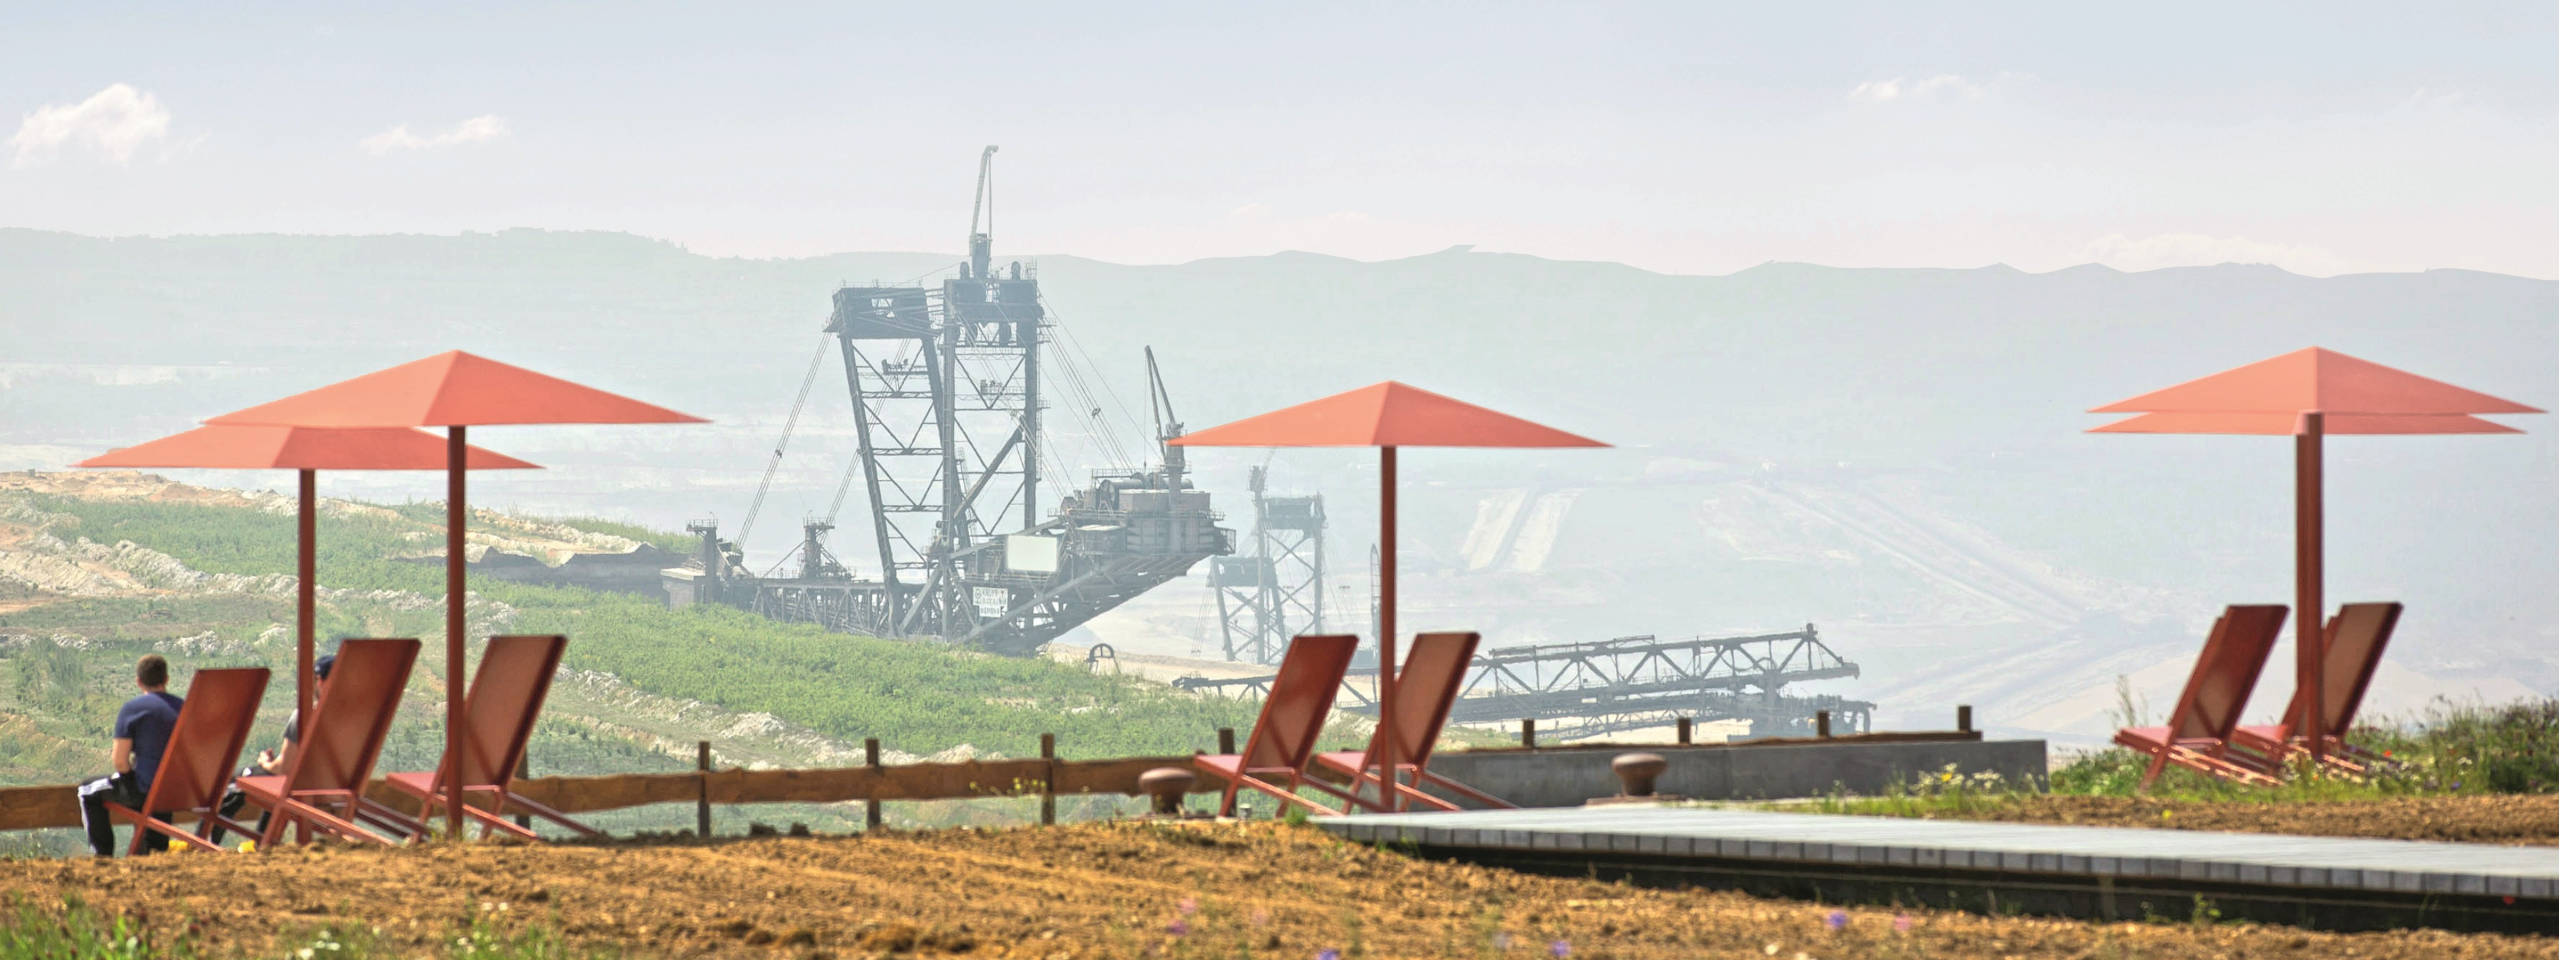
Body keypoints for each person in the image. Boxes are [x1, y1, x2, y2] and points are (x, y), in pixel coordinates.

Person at [212, 652, 333, 847]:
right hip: (331, 785)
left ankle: (207, 843)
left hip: (297, 787)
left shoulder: (305, 715)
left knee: (234, 780)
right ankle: (263, 841)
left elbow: (283, 769)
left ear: (319, 680)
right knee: (274, 789)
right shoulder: (351, 715)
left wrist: (265, 762)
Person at [75, 654, 183, 857]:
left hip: (146, 788)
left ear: (139, 681)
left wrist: (131, 780)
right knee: (155, 797)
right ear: (166, 679)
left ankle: (102, 856)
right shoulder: (184, 707)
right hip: (176, 789)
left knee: (87, 790)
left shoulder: (133, 709)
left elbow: (120, 761)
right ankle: (152, 851)